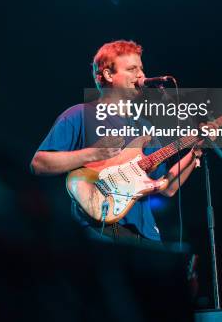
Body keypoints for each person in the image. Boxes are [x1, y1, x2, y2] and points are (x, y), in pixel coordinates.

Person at [31, 40, 202, 244]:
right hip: (99, 228)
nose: (141, 75)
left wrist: (194, 153)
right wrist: (93, 154)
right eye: (131, 69)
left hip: (146, 235)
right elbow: (39, 164)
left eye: (141, 68)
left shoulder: (146, 129)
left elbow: (167, 188)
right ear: (108, 75)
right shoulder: (80, 114)